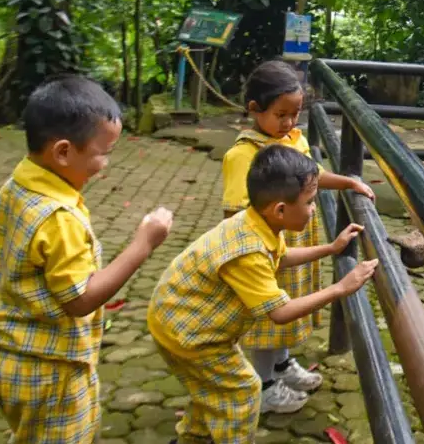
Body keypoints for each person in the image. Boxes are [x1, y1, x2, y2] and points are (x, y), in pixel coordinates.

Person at [0, 75, 173, 444]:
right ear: (63, 152)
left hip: (9, 357)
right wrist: (143, 244)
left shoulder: (21, 183)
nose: (106, 164)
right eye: (103, 153)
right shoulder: (57, 218)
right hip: (50, 371)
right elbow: (80, 299)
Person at [150, 144, 379, 444]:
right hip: (190, 333)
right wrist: (340, 287)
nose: (313, 210)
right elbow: (279, 313)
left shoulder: (258, 223)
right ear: (281, 210)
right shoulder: (249, 248)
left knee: (211, 389)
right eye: (310, 202)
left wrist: (330, 248)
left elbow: (280, 259)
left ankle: (191, 439)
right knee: (243, 391)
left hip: (183, 320)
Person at [220, 59, 375, 413]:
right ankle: (263, 386)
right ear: (255, 109)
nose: (289, 122)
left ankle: (281, 364)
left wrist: (347, 180)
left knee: (291, 304)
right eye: (281, 114)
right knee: (268, 313)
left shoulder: (292, 138)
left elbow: (312, 173)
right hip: (264, 251)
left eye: (296, 114)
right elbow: (233, 212)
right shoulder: (243, 155)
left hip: (293, 241)